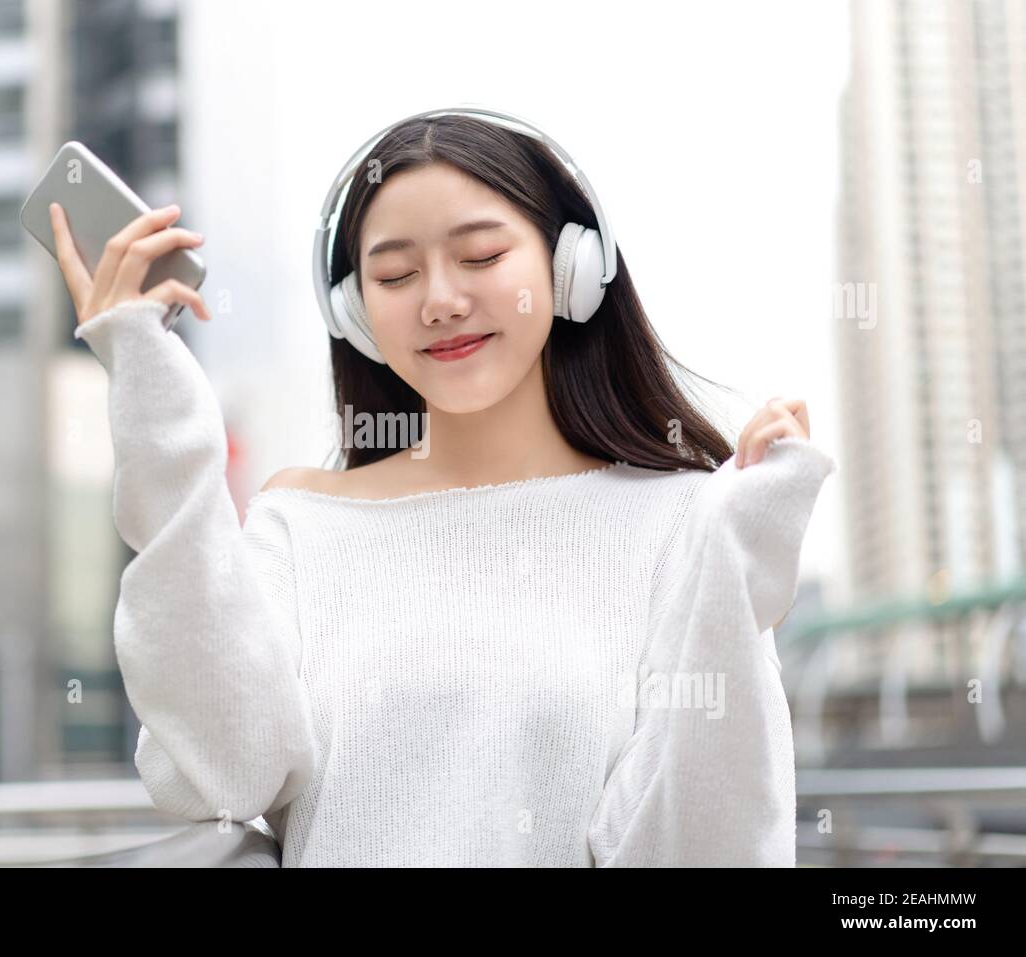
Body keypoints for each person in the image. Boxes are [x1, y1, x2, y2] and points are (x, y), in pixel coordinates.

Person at [49, 109, 836, 867]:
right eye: (394, 274)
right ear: (355, 312)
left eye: (482, 257)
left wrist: (733, 579)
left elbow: (695, 851)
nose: (440, 301)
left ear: (573, 269)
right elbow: (223, 770)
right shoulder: (303, 521)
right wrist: (154, 402)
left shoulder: (681, 519)